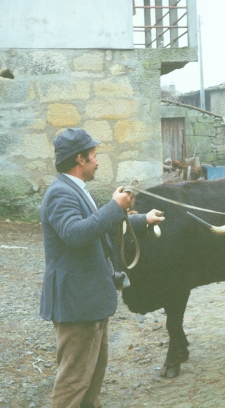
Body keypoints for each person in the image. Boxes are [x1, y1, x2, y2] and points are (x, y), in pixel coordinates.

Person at [40, 128, 164, 408]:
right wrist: (113, 207)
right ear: (80, 159)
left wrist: (143, 219)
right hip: (77, 304)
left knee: (92, 381)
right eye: (94, 157)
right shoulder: (61, 194)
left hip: (89, 302)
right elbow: (75, 234)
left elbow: (99, 228)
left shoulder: (74, 190)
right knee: (74, 383)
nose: (97, 162)